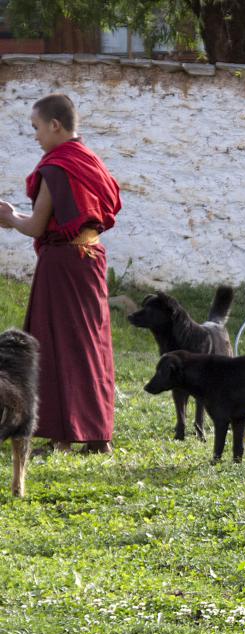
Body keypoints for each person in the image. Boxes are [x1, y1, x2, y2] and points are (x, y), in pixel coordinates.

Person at [0, 94, 121, 454]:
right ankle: (99, 435)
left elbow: (37, 225)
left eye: (37, 128)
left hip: (63, 263)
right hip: (91, 256)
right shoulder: (89, 160)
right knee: (91, 344)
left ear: (55, 125)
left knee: (56, 345)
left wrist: (8, 216)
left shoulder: (57, 166)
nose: (35, 136)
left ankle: (62, 436)